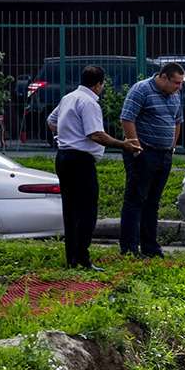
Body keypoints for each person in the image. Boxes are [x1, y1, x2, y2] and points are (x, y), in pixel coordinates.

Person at [48, 66, 141, 269]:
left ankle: (72, 257)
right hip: (80, 161)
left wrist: (65, 135)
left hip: (63, 156)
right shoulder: (89, 103)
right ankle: (82, 258)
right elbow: (95, 134)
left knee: (70, 210)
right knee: (87, 211)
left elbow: (51, 120)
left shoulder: (69, 98)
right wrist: (123, 144)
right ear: (99, 84)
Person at [119, 63, 185, 257]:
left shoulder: (174, 94)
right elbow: (127, 118)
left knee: (153, 202)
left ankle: (150, 247)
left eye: (181, 83)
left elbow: (177, 121)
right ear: (163, 77)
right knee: (135, 200)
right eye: (176, 82)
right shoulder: (141, 90)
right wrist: (136, 147)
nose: (179, 87)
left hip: (164, 154)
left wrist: (172, 146)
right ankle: (130, 248)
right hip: (144, 152)